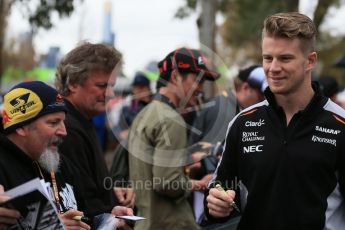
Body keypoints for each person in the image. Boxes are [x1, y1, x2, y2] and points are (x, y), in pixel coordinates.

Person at [205, 12, 345, 229]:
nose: (273, 68)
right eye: (267, 58)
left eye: (285, 58)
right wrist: (215, 204)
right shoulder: (242, 123)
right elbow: (221, 188)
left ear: (310, 61)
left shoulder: (340, 124)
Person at [128, 47, 219, 230]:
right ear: (176, 77)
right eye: (197, 81)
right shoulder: (171, 120)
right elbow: (166, 182)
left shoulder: (144, 114)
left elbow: (153, 170)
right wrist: (201, 184)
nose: (200, 90)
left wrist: (186, 162)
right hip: (170, 223)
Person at [55, 42, 135, 215]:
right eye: (102, 86)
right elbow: (80, 200)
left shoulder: (82, 119)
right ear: (73, 83)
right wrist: (112, 210)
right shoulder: (65, 127)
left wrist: (111, 192)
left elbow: (88, 185)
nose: (110, 94)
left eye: (112, 86)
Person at [0, 81, 90, 229]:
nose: (64, 131)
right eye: (53, 122)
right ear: (21, 127)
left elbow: (85, 215)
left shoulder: (61, 163)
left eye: (63, 122)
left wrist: (108, 217)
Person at [189, 65, 267, 145]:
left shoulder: (231, 106)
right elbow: (211, 154)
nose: (263, 100)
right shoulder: (224, 111)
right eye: (261, 95)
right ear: (245, 87)